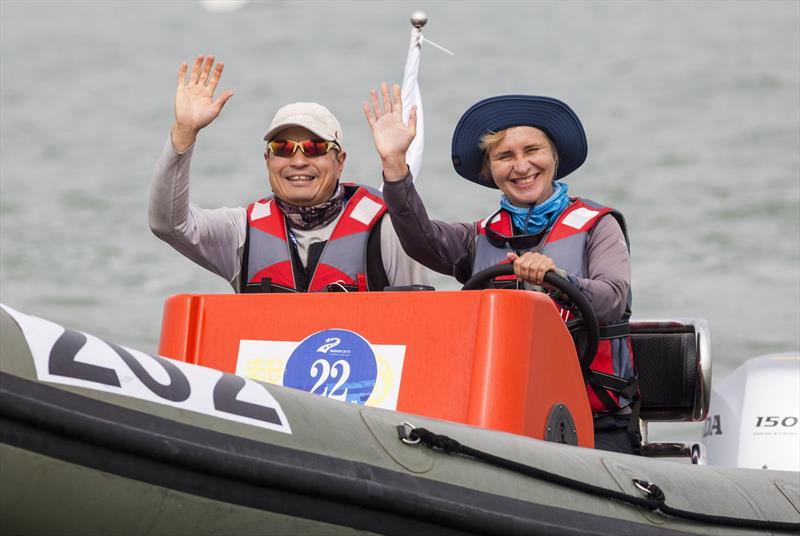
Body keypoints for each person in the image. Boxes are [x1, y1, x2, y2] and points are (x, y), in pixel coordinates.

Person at [363, 84, 639, 454]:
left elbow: (612, 298)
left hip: (594, 419)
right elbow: (420, 239)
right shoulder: (477, 238)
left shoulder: (597, 225)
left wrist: (559, 280)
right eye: (504, 156)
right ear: (489, 170)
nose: (521, 166)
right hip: (500, 415)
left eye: (532, 150)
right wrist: (395, 165)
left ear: (554, 157)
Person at [149, 56, 429, 293]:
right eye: (282, 148)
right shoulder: (240, 232)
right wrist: (185, 132)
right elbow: (169, 224)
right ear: (267, 160)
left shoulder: (388, 230)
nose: (298, 161)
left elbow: (422, 320)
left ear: (340, 161)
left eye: (314, 147)